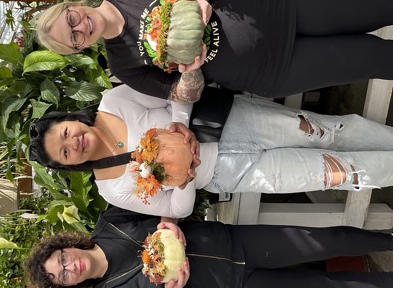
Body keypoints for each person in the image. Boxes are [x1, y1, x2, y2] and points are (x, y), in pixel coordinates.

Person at [34, 0, 392, 102]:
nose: (81, 28)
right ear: (79, 49)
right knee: (377, 60)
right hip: (273, 68)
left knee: (382, 5)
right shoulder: (123, 65)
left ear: (73, 5)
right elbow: (181, 96)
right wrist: (190, 72)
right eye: (74, 38)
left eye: (72, 19)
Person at [27, 84, 392, 219]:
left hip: (230, 122)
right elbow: (175, 209)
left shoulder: (114, 102)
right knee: (336, 173)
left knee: (326, 131)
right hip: (230, 174)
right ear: (68, 165)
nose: (73, 142)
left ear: (68, 119)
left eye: (65, 133)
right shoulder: (111, 189)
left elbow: (174, 91)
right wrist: (184, 179)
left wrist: (180, 122)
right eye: (64, 152)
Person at [25, 206, 393, 288]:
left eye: (62, 259)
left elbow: (165, 195)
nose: (69, 267)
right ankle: (391, 280)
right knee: (319, 285)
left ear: (65, 245)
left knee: (321, 240)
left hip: (232, 242)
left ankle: (390, 240)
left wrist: (169, 221)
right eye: (62, 276)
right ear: (67, 287)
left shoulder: (111, 223)